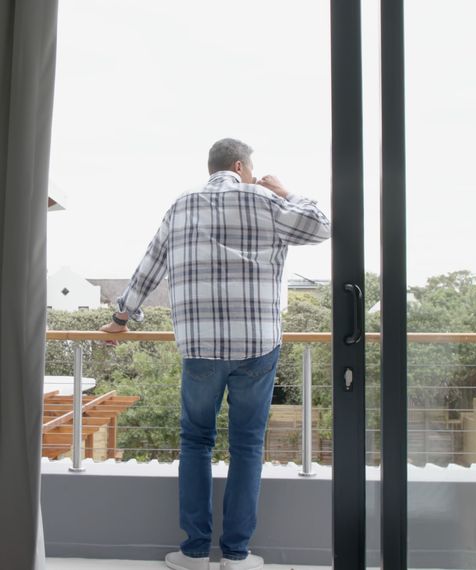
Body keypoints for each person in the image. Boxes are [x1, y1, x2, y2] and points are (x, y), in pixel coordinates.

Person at [99, 138, 331, 570]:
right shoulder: (266, 200)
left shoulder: (182, 205)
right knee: (247, 446)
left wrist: (122, 317)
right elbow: (320, 226)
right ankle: (237, 555)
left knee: (195, 443)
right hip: (258, 345)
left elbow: (151, 264)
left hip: (200, 346)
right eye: (253, 168)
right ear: (241, 165)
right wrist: (285, 191)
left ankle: (192, 552)